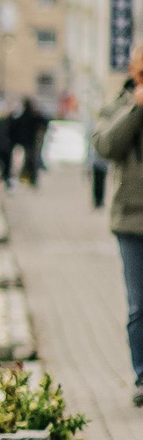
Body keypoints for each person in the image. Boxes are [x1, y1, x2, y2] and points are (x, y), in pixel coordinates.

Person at [96, 48, 143, 404]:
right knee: (138, 305)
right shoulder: (118, 106)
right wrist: (137, 109)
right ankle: (142, 377)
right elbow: (106, 146)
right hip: (131, 220)